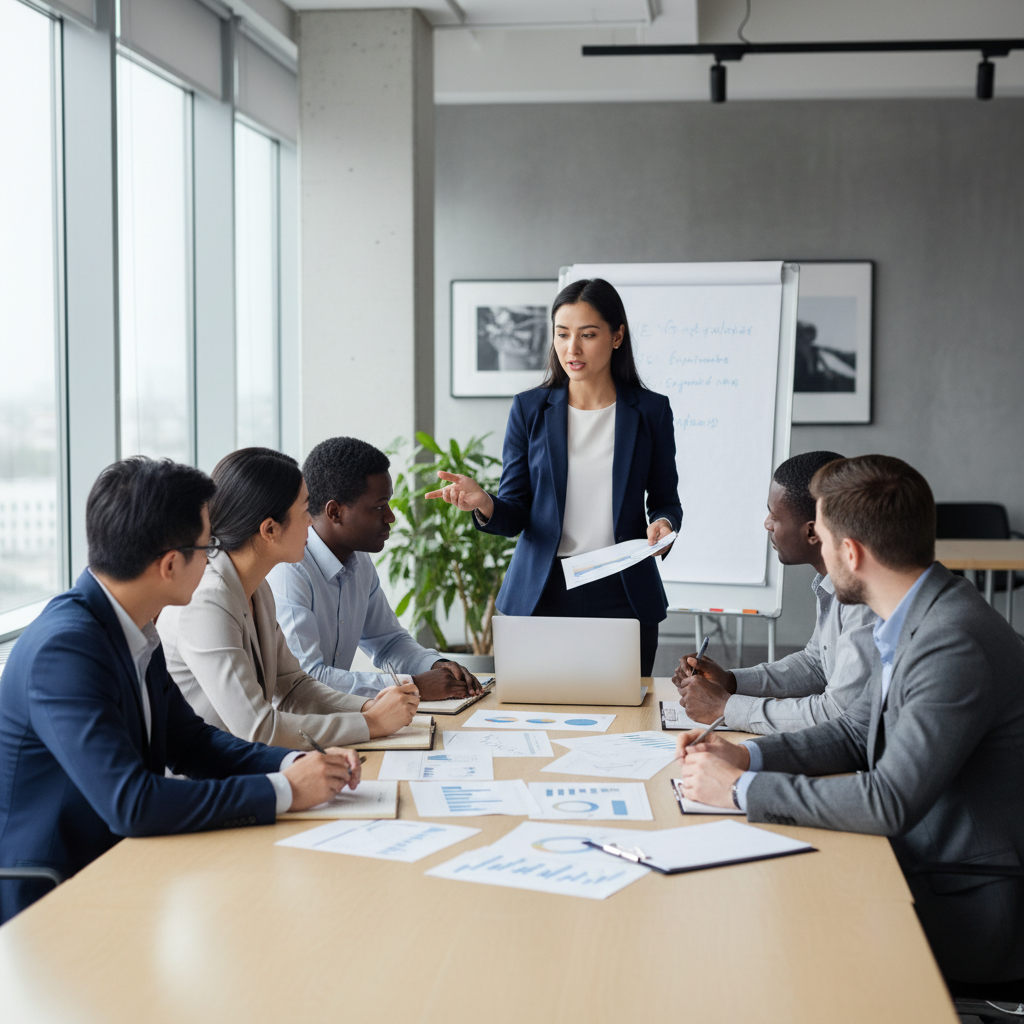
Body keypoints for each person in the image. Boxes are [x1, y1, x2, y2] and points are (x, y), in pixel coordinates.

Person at [676, 455, 1024, 984]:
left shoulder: (952, 642)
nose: (820, 553)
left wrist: (740, 789)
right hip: (914, 859)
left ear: (851, 552)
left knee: (756, 936)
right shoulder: (916, 615)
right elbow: (854, 731)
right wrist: (745, 755)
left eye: (825, 540)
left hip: (962, 899)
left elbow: (888, 801)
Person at [0, 458, 361, 924]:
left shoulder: (131, 627)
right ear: (170, 564)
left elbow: (192, 743)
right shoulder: (65, 649)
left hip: (126, 868)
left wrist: (294, 763)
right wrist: (284, 790)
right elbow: (132, 803)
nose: (214, 557)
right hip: (55, 898)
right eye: (207, 546)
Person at [425, 278, 682, 676]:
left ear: (617, 337)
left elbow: (666, 499)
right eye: (562, 334)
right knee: (536, 708)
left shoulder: (650, 411)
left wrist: (663, 523)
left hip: (624, 592)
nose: (571, 349)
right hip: (542, 592)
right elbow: (515, 511)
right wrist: (485, 502)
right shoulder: (529, 409)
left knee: (626, 708)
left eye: (587, 335)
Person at [158, 448, 419, 749]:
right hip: (202, 773)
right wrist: (371, 723)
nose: (312, 521)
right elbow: (258, 729)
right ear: (270, 529)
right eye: (306, 510)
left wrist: (367, 708)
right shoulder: (208, 601)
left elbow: (293, 687)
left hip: (242, 763)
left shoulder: (257, 587)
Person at [672, 450, 878, 733]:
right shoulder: (831, 581)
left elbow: (838, 713)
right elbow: (816, 666)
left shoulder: (864, 598)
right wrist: (730, 681)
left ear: (812, 532)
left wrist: (726, 707)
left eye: (775, 516)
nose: (767, 524)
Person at [268, 436, 482, 700]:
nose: (390, 516)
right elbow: (307, 680)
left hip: (339, 717)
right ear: (335, 512)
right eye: (379, 506)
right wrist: (413, 685)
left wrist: (435, 665)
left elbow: (388, 642)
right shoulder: (289, 571)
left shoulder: (359, 562)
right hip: (296, 721)